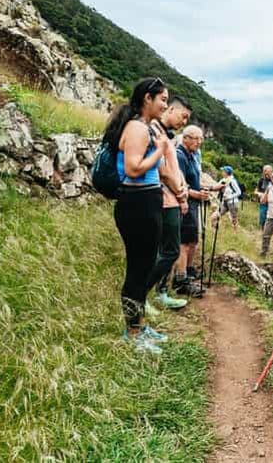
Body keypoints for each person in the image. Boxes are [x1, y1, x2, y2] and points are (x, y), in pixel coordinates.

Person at [101, 77, 170, 355]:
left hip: (145, 201)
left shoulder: (143, 127)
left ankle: (139, 326)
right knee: (138, 270)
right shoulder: (137, 129)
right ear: (147, 99)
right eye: (163, 99)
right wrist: (162, 151)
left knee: (144, 267)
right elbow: (133, 168)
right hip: (137, 203)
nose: (165, 104)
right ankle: (133, 332)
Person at [144, 96, 192, 312]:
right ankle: (141, 294)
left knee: (166, 250)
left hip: (172, 199)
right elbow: (162, 171)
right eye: (183, 116)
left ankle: (161, 292)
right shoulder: (153, 130)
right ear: (171, 109)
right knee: (169, 250)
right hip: (165, 199)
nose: (184, 121)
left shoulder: (166, 135)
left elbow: (174, 168)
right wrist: (181, 194)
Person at [174, 124, 207, 296]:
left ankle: (188, 271)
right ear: (185, 138)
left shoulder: (192, 156)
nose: (199, 142)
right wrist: (196, 194)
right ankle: (181, 280)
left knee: (193, 240)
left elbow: (194, 180)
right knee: (184, 242)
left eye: (201, 138)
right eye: (196, 138)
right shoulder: (179, 156)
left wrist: (211, 188)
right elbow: (179, 183)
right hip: (185, 204)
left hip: (193, 203)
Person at [211, 166, 241, 230]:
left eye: (223, 171)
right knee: (215, 216)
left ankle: (236, 234)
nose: (222, 172)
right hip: (225, 202)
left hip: (233, 202)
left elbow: (239, 192)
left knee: (234, 220)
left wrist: (229, 197)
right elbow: (216, 186)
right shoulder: (223, 180)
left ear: (227, 172)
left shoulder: (232, 181)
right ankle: (214, 230)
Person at [255, 164, 273, 228]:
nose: (267, 174)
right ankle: (262, 231)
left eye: (269, 173)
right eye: (265, 172)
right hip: (263, 202)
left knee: (271, 219)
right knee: (262, 217)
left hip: (272, 203)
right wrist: (259, 194)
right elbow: (255, 191)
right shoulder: (261, 180)